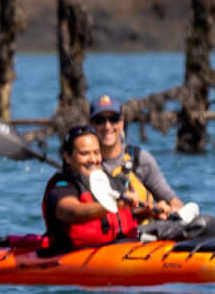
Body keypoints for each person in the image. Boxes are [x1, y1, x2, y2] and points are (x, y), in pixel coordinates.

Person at [41, 126, 140, 252]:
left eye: (96, 152)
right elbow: (72, 212)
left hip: (121, 248)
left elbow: (130, 211)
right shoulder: (62, 187)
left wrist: (150, 210)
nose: (93, 159)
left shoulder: (109, 181)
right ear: (67, 157)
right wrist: (114, 205)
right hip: (74, 258)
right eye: (84, 153)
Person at [90, 92, 180, 220]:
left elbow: (172, 200)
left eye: (113, 119)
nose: (107, 126)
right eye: (100, 120)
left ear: (121, 122)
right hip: (105, 233)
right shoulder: (86, 164)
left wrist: (174, 209)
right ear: (91, 124)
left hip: (145, 233)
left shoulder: (140, 158)